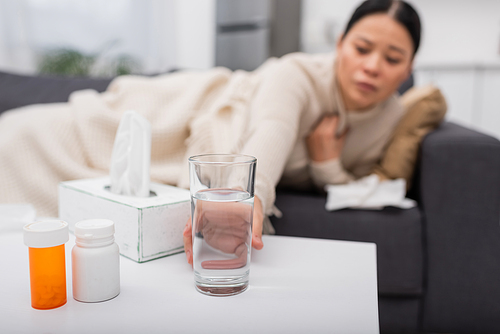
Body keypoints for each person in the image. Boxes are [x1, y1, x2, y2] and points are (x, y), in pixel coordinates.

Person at [0, 0, 443, 266]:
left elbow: (358, 189)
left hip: (188, 145)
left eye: (392, 58)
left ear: (409, 66)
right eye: (362, 48)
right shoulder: (298, 75)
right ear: (341, 44)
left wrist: (326, 163)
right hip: (184, 113)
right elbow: (271, 132)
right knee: (20, 138)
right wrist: (243, 199)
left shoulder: (389, 121)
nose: (371, 67)